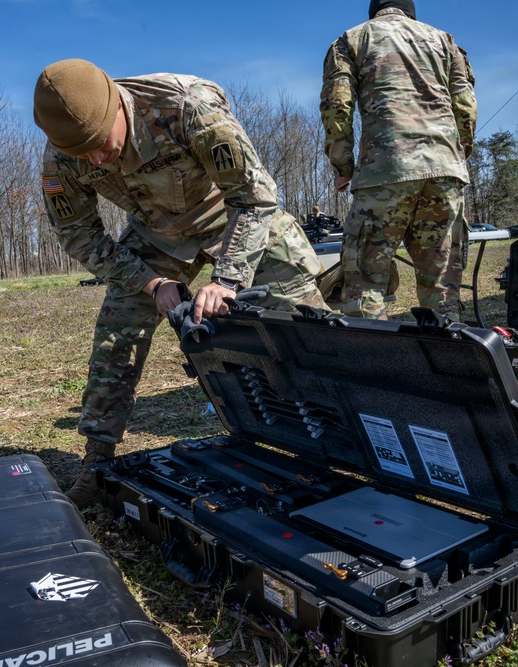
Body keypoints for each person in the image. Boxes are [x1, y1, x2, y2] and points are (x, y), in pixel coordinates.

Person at [33, 59, 327, 508]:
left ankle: (346, 437)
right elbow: (78, 234)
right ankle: (96, 459)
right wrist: (150, 283)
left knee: (309, 326)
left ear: (117, 106)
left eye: (99, 143)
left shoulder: (189, 107)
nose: (95, 159)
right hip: (159, 235)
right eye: (82, 153)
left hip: (234, 218)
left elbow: (254, 198)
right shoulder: (63, 153)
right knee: (117, 332)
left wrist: (227, 278)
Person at [320, 0, 476, 320]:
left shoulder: (351, 40)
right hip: (445, 170)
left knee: (365, 285)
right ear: (410, 11)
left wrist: (343, 167)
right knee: (442, 289)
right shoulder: (445, 41)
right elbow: (465, 106)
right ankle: (446, 348)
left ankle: (373, 352)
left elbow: (337, 105)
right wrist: (457, 156)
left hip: (384, 171)